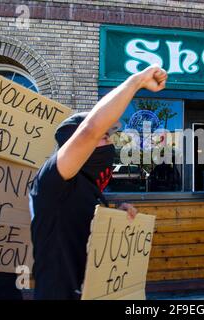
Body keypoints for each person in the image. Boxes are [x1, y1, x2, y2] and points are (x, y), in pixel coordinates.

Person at [29, 64, 168, 300]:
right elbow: (90, 131)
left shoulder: (90, 187)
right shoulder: (52, 180)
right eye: (105, 137)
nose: (110, 143)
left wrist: (116, 216)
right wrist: (135, 82)